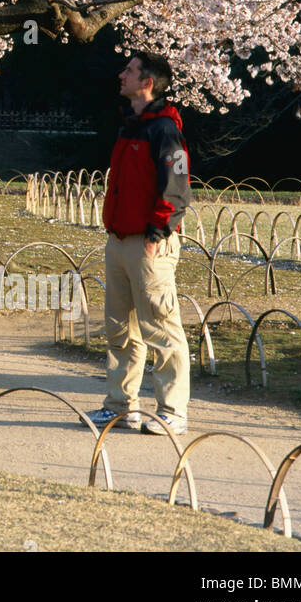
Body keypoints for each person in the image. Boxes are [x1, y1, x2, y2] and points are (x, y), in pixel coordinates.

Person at [89, 51, 192, 436]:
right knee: (119, 330)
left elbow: (177, 185)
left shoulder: (164, 129)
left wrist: (157, 233)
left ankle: (172, 411)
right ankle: (120, 407)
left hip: (149, 244)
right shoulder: (131, 125)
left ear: (146, 82)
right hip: (119, 241)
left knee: (161, 328)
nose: (122, 75)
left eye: (129, 71)